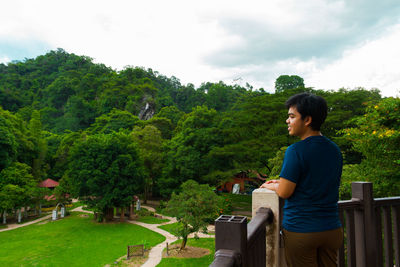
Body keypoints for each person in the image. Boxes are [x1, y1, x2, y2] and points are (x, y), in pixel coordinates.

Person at [260, 92, 343, 267]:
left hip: (302, 230)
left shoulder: (295, 151)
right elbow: (314, 181)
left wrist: (272, 186)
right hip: (331, 229)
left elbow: (285, 191)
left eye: (292, 116)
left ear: (307, 120)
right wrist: (280, 182)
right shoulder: (334, 150)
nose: (287, 121)